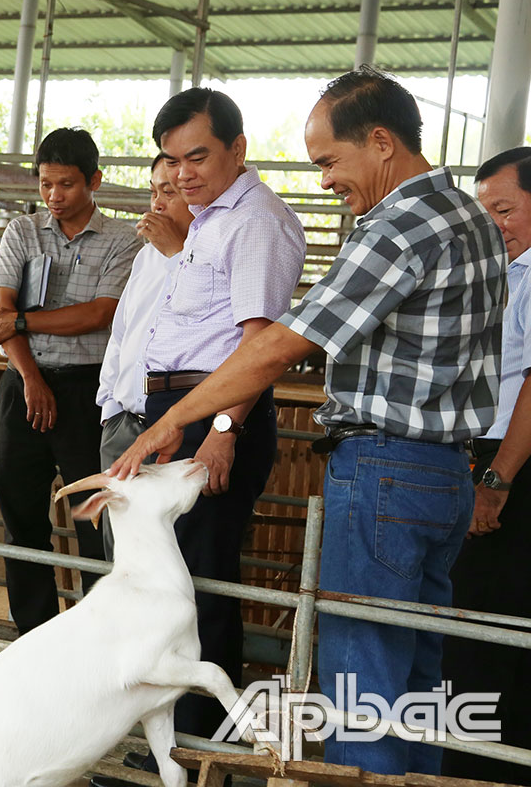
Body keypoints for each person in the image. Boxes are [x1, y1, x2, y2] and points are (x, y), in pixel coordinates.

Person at [111, 67, 504, 777]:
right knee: (414, 672)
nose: (325, 180)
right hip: (447, 469)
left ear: (380, 142)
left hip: (386, 468)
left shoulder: (398, 227)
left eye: (329, 161)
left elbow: (279, 343)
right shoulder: (470, 215)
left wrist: (178, 423)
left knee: (361, 675)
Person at [96, 88, 307, 787]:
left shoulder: (256, 223)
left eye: (199, 156)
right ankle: (171, 745)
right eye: (172, 159)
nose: (184, 173)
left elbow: (256, 344)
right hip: (181, 408)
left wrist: (220, 430)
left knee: (200, 585)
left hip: (217, 412)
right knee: (170, 583)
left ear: (236, 150)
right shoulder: (213, 221)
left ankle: (207, 750)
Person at [0, 127, 139, 636]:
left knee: (93, 515)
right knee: (20, 512)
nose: (54, 196)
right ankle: (34, 632)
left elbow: (101, 313)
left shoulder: (122, 239)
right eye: (46, 184)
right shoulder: (22, 231)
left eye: (67, 184)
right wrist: (30, 378)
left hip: (88, 389)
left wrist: (26, 323)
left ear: (94, 180)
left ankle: (98, 635)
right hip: (23, 384)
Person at [440, 147, 531, 784]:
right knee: (471, 621)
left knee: (496, 620)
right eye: (487, 212)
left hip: (511, 467)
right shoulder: (510, 270)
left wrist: (496, 480)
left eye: (505, 208)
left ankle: (493, 767)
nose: (495, 223)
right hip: (485, 457)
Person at [93, 153, 193, 561]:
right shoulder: (147, 254)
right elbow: (121, 334)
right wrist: (110, 407)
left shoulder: (204, 253)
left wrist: (175, 252)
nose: (157, 204)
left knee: (164, 555)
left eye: (168, 192)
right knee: (119, 552)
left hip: (176, 427)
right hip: (123, 425)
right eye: (153, 192)